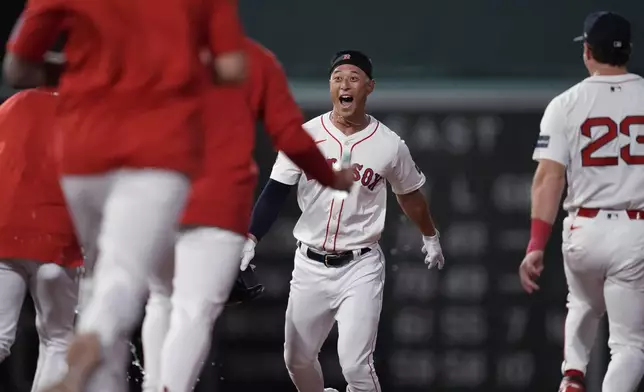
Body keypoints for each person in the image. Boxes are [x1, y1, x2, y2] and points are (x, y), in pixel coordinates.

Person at [3, 0, 247, 391]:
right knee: (123, 281)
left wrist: (77, 66)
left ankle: (97, 348)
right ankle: (95, 339)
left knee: (96, 283)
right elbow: (231, 69)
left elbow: (16, 69)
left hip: (70, 168)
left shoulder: (16, 99)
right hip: (142, 149)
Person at [140, 37, 354, 392]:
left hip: (153, 197)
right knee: (193, 309)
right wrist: (330, 175)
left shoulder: (157, 52)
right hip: (215, 204)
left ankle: (154, 386)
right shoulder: (255, 60)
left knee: (161, 298)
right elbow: (290, 135)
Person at [240, 50, 445, 392]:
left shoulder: (389, 145)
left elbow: (409, 195)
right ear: (330, 87)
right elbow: (275, 192)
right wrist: (251, 237)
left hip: (359, 266)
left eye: (353, 78)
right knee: (297, 358)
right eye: (337, 78)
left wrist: (430, 236)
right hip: (309, 264)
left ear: (369, 87)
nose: (344, 85)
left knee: (355, 366)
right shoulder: (304, 136)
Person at [518, 11, 644, 392]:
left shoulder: (566, 103)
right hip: (634, 230)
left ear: (588, 51)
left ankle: (573, 373)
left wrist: (535, 245)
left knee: (583, 303)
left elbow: (548, 178)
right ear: (629, 51)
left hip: (584, 227)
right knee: (629, 346)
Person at [0, 88, 82, 392]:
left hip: (4, 230)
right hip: (57, 238)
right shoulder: (87, 111)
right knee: (58, 339)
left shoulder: (13, 104)